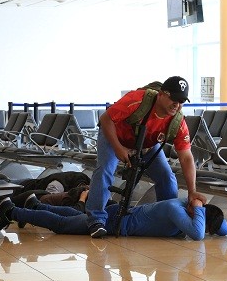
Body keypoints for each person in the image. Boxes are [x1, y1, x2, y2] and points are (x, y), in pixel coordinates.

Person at [86, 76, 207, 238]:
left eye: (181, 101)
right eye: (174, 99)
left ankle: (169, 220)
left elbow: (186, 158)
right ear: (161, 94)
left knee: (167, 177)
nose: (177, 105)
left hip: (145, 144)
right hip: (114, 135)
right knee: (105, 170)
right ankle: (96, 220)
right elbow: (105, 119)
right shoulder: (138, 100)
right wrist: (118, 148)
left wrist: (192, 191)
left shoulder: (177, 121)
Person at [0, 195, 227, 241]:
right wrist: (198, 206)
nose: (198, 226)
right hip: (114, 221)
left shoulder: (187, 210)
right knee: (64, 225)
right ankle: (11, 211)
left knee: (76, 215)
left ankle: (36, 205)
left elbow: (223, 229)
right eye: (198, 218)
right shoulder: (175, 209)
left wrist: (204, 207)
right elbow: (198, 234)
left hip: (117, 215)